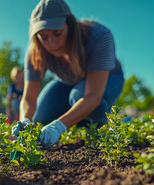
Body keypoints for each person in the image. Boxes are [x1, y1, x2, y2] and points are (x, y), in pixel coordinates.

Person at [12, 0, 124, 148]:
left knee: (78, 97)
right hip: (67, 81)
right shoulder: (36, 51)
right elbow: (29, 98)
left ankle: (101, 126)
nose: (52, 43)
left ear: (70, 25)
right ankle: (78, 120)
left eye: (57, 33)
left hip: (108, 78)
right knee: (40, 119)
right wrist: (25, 120)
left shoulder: (99, 36)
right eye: (43, 37)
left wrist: (58, 127)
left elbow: (92, 96)